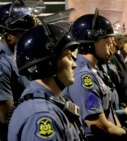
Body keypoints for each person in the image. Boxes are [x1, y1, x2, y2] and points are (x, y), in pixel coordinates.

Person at [8, 23, 84, 140]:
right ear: (49, 63)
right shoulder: (42, 115)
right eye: (68, 57)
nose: (74, 65)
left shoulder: (53, 101)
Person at [63, 12, 127, 141]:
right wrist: (125, 133)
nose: (113, 45)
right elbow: (97, 125)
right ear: (92, 42)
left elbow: (107, 110)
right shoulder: (84, 76)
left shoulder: (95, 70)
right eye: (107, 40)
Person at [0, 1, 36, 140]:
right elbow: (5, 116)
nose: (28, 39)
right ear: (9, 35)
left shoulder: (15, 56)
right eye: (24, 34)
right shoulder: (2, 63)